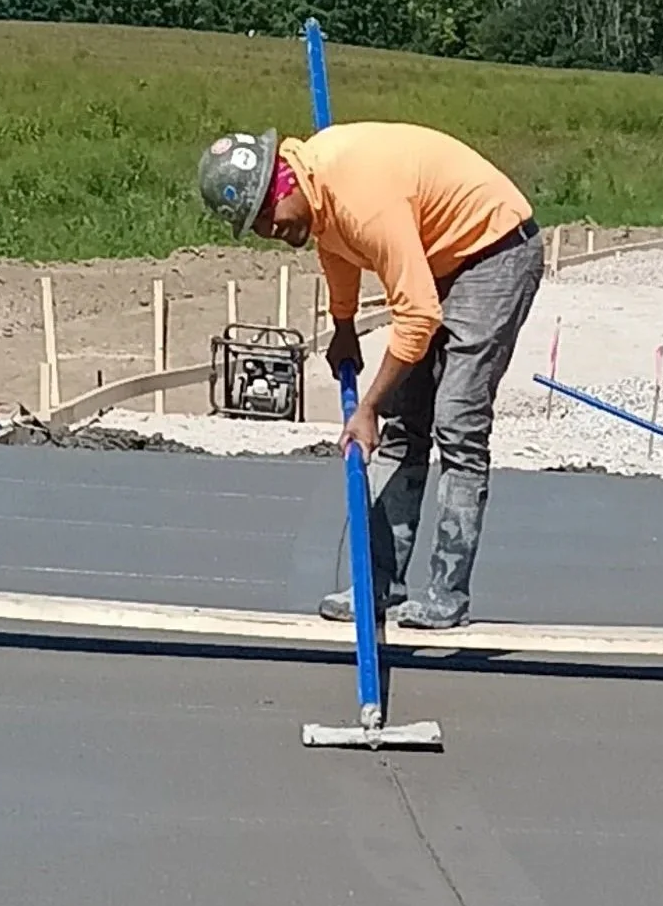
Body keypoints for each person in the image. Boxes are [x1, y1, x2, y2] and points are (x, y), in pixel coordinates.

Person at [198, 122, 543, 630]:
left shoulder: (361, 197)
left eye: (267, 218)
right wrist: (343, 326)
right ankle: (379, 584)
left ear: (283, 184)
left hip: (495, 250)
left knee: (457, 423)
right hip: (437, 253)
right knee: (406, 425)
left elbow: (419, 314)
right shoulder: (318, 188)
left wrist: (368, 408)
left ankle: (447, 595)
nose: (270, 233)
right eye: (257, 229)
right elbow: (335, 247)